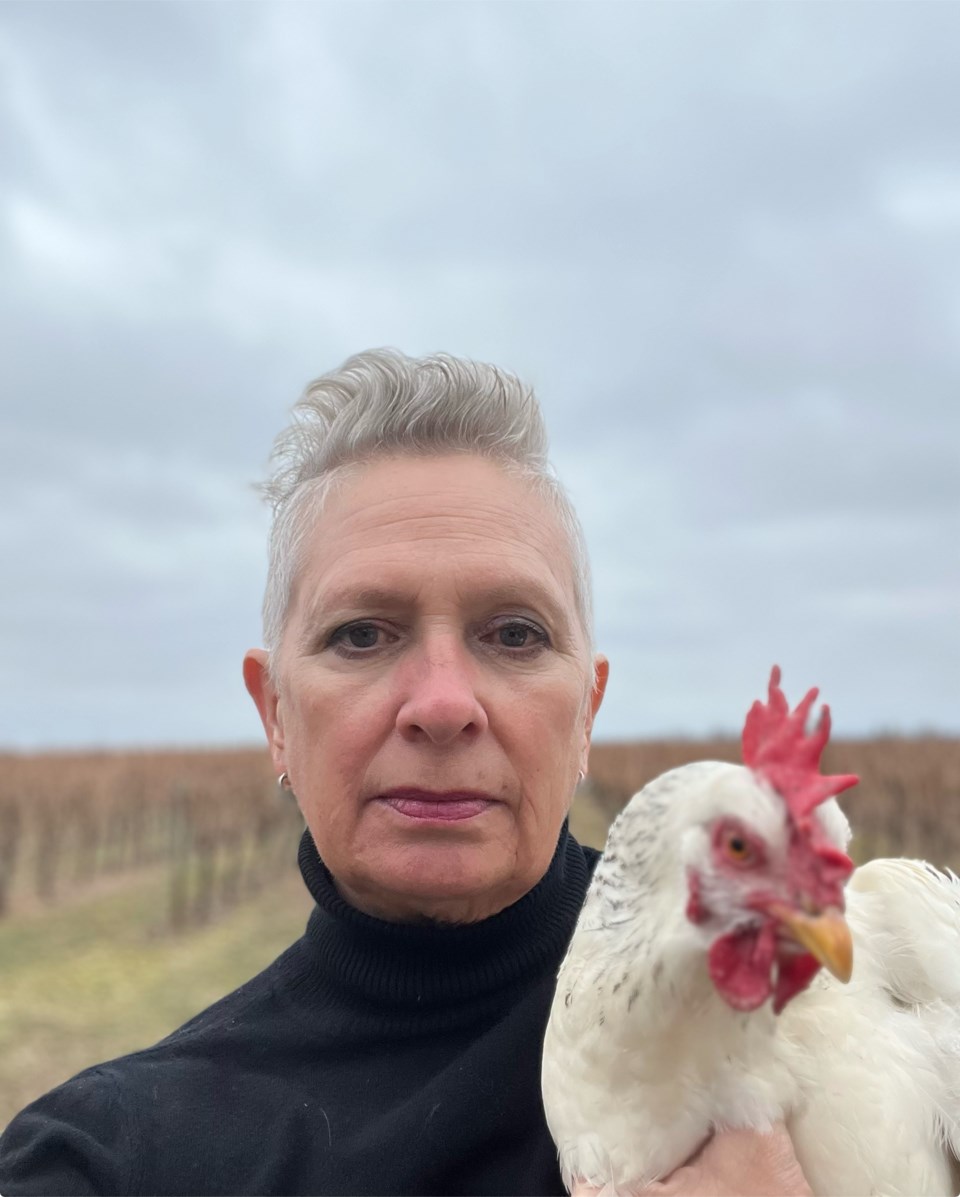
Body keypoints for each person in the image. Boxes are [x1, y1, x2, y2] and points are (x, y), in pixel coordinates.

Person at [0, 350, 810, 1196]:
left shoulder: (811, 1015)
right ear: (276, 714)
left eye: (514, 634)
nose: (443, 703)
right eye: (361, 634)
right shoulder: (111, 1159)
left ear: (587, 714)